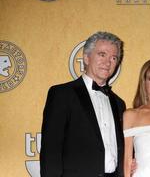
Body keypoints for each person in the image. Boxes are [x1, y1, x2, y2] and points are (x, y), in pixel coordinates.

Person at [40, 31, 126, 177]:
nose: (108, 62)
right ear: (86, 57)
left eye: (113, 57)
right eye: (102, 54)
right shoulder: (62, 94)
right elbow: (50, 150)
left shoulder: (119, 104)